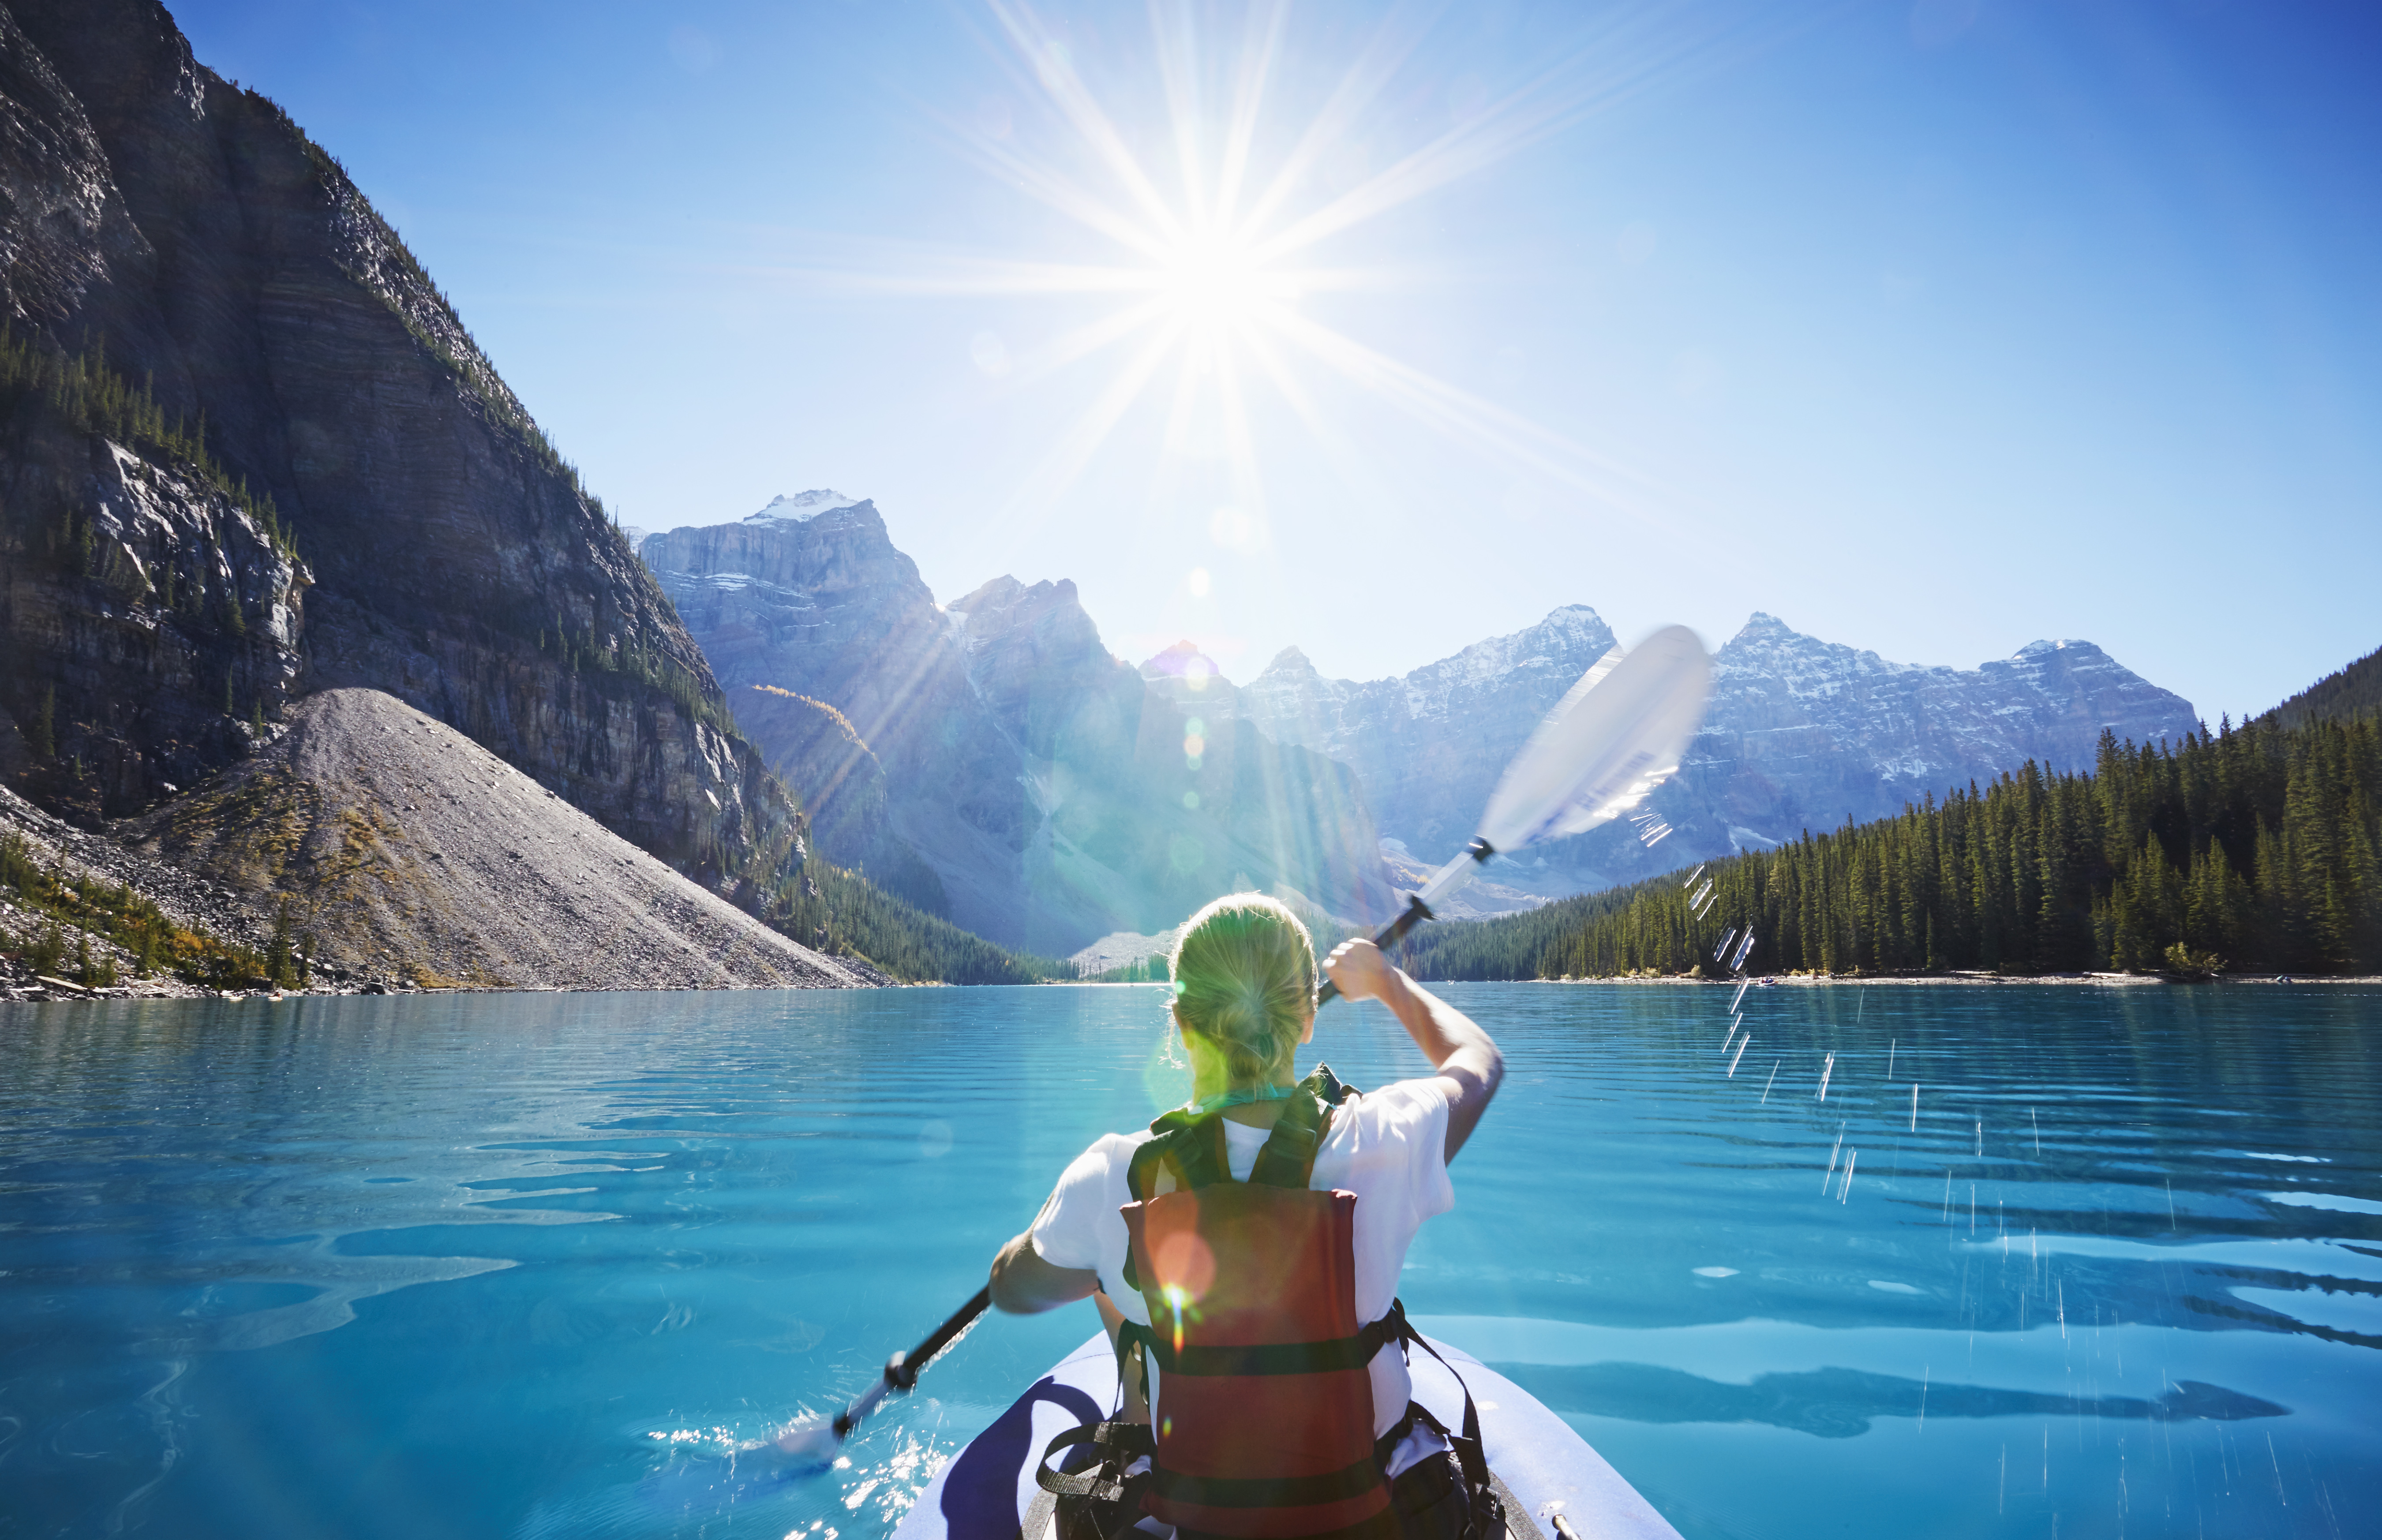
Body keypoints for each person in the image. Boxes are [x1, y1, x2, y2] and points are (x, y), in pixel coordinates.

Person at [988, 893, 1505, 1539]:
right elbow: (1480, 1063)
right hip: (1383, 1515)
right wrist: (1389, 984)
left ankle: (1142, 1407)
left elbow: (1014, 1289)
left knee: (1110, 1289)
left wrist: (1064, 1215)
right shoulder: (1384, 1138)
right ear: (1308, 1017)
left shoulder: (1113, 1175)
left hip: (1196, 1522)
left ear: (1179, 1023)